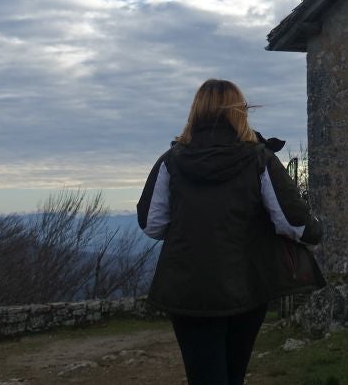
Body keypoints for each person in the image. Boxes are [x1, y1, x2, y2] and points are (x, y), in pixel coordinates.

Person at [137, 78, 323, 385]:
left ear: (195, 111)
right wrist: (319, 231)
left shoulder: (171, 162)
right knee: (232, 375)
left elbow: (152, 225)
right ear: (239, 112)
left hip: (187, 289)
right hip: (247, 287)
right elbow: (294, 224)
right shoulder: (259, 159)